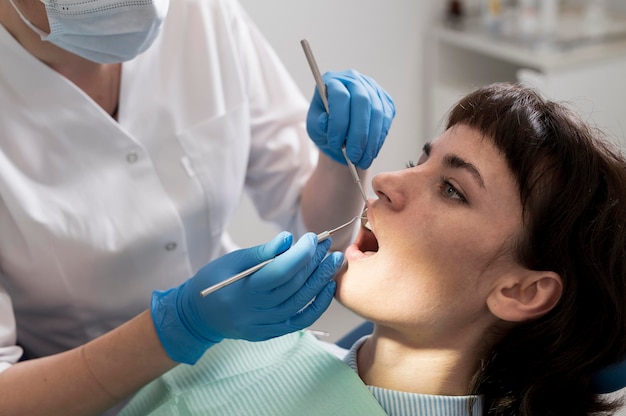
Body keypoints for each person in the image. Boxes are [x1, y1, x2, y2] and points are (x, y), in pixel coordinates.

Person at [118, 83, 626, 416]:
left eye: (452, 189)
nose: (384, 180)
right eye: (418, 160)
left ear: (520, 290)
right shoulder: (248, 347)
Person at [0, 0, 395, 414]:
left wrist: (337, 160)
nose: (390, 183)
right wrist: (177, 327)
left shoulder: (200, 13)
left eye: (451, 188)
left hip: (242, 362)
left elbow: (317, 229)